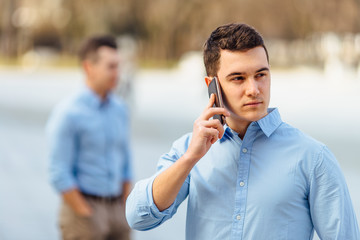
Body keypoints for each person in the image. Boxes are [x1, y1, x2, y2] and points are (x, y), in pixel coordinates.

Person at [125, 23, 360, 239]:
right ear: (212, 86)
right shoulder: (190, 150)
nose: (254, 89)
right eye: (238, 78)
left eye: (261, 75)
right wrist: (190, 159)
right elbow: (138, 217)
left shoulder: (313, 157)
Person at [47, 36, 132, 240]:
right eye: (110, 67)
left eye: (118, 66)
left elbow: (125, 160)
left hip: (118, 211)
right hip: (85, 213)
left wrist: (125, 204)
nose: (117, 73)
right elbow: (59, 172)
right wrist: (85, 211)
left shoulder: (120, 109)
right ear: (88, 67)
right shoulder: (68, 113)